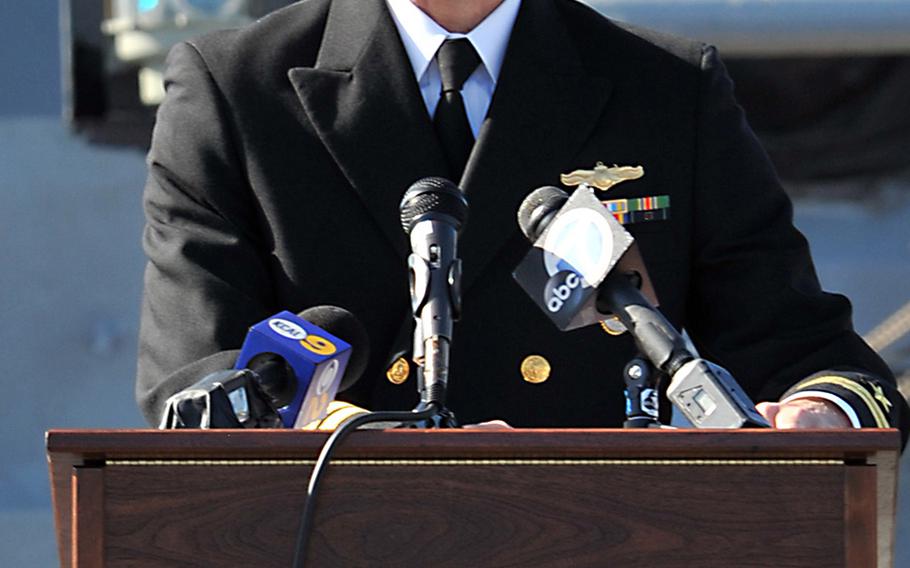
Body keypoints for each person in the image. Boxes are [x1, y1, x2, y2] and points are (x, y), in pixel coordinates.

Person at [136, 0, 908, 442]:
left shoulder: (665, 90)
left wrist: (820, 412)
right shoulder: (236, 92)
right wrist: (390, 446)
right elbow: (198, 373)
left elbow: (807, 349)